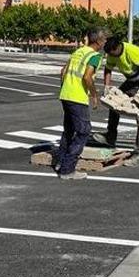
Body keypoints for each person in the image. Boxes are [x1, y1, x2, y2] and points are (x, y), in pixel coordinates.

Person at [55, 28, 108, 180]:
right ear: (98, 41)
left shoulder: (78, 52)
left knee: (69, 130)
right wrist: (94, 95)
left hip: (66, 94)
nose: (105, 43)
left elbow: (62, 71)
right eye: (104, 40)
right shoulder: (95, 56)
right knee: (84, 131)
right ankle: (67, 169)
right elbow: (87, 77)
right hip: (77, 97)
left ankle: (60, 162)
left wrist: (64, 88)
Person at [94, 36, 139, 165]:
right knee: (113, 103)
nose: (111, 56)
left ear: (117, 48)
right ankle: (110, 136)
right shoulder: (111, 53)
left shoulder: (131, 51)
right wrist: (107, 87)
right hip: (131, 82)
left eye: (112, 53)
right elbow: (108, 69)